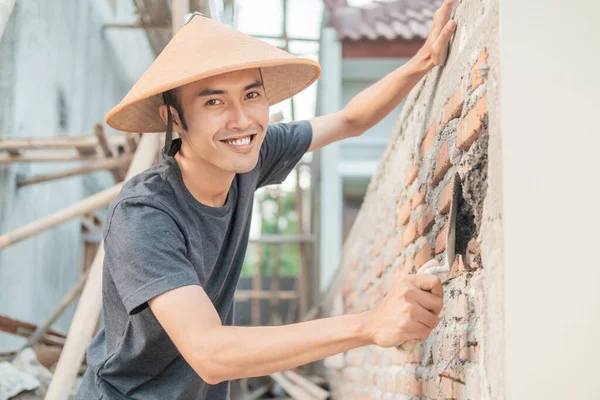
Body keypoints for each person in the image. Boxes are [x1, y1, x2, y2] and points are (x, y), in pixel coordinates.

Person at [76, 1, 457, 398]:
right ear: (174, 118)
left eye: (252, 94)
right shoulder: (144, 216)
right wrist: (371, 324)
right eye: (214, 101)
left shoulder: (249, 155)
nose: (242, 120)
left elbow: (349, 120)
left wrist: (423, 61)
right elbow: (210, 352)